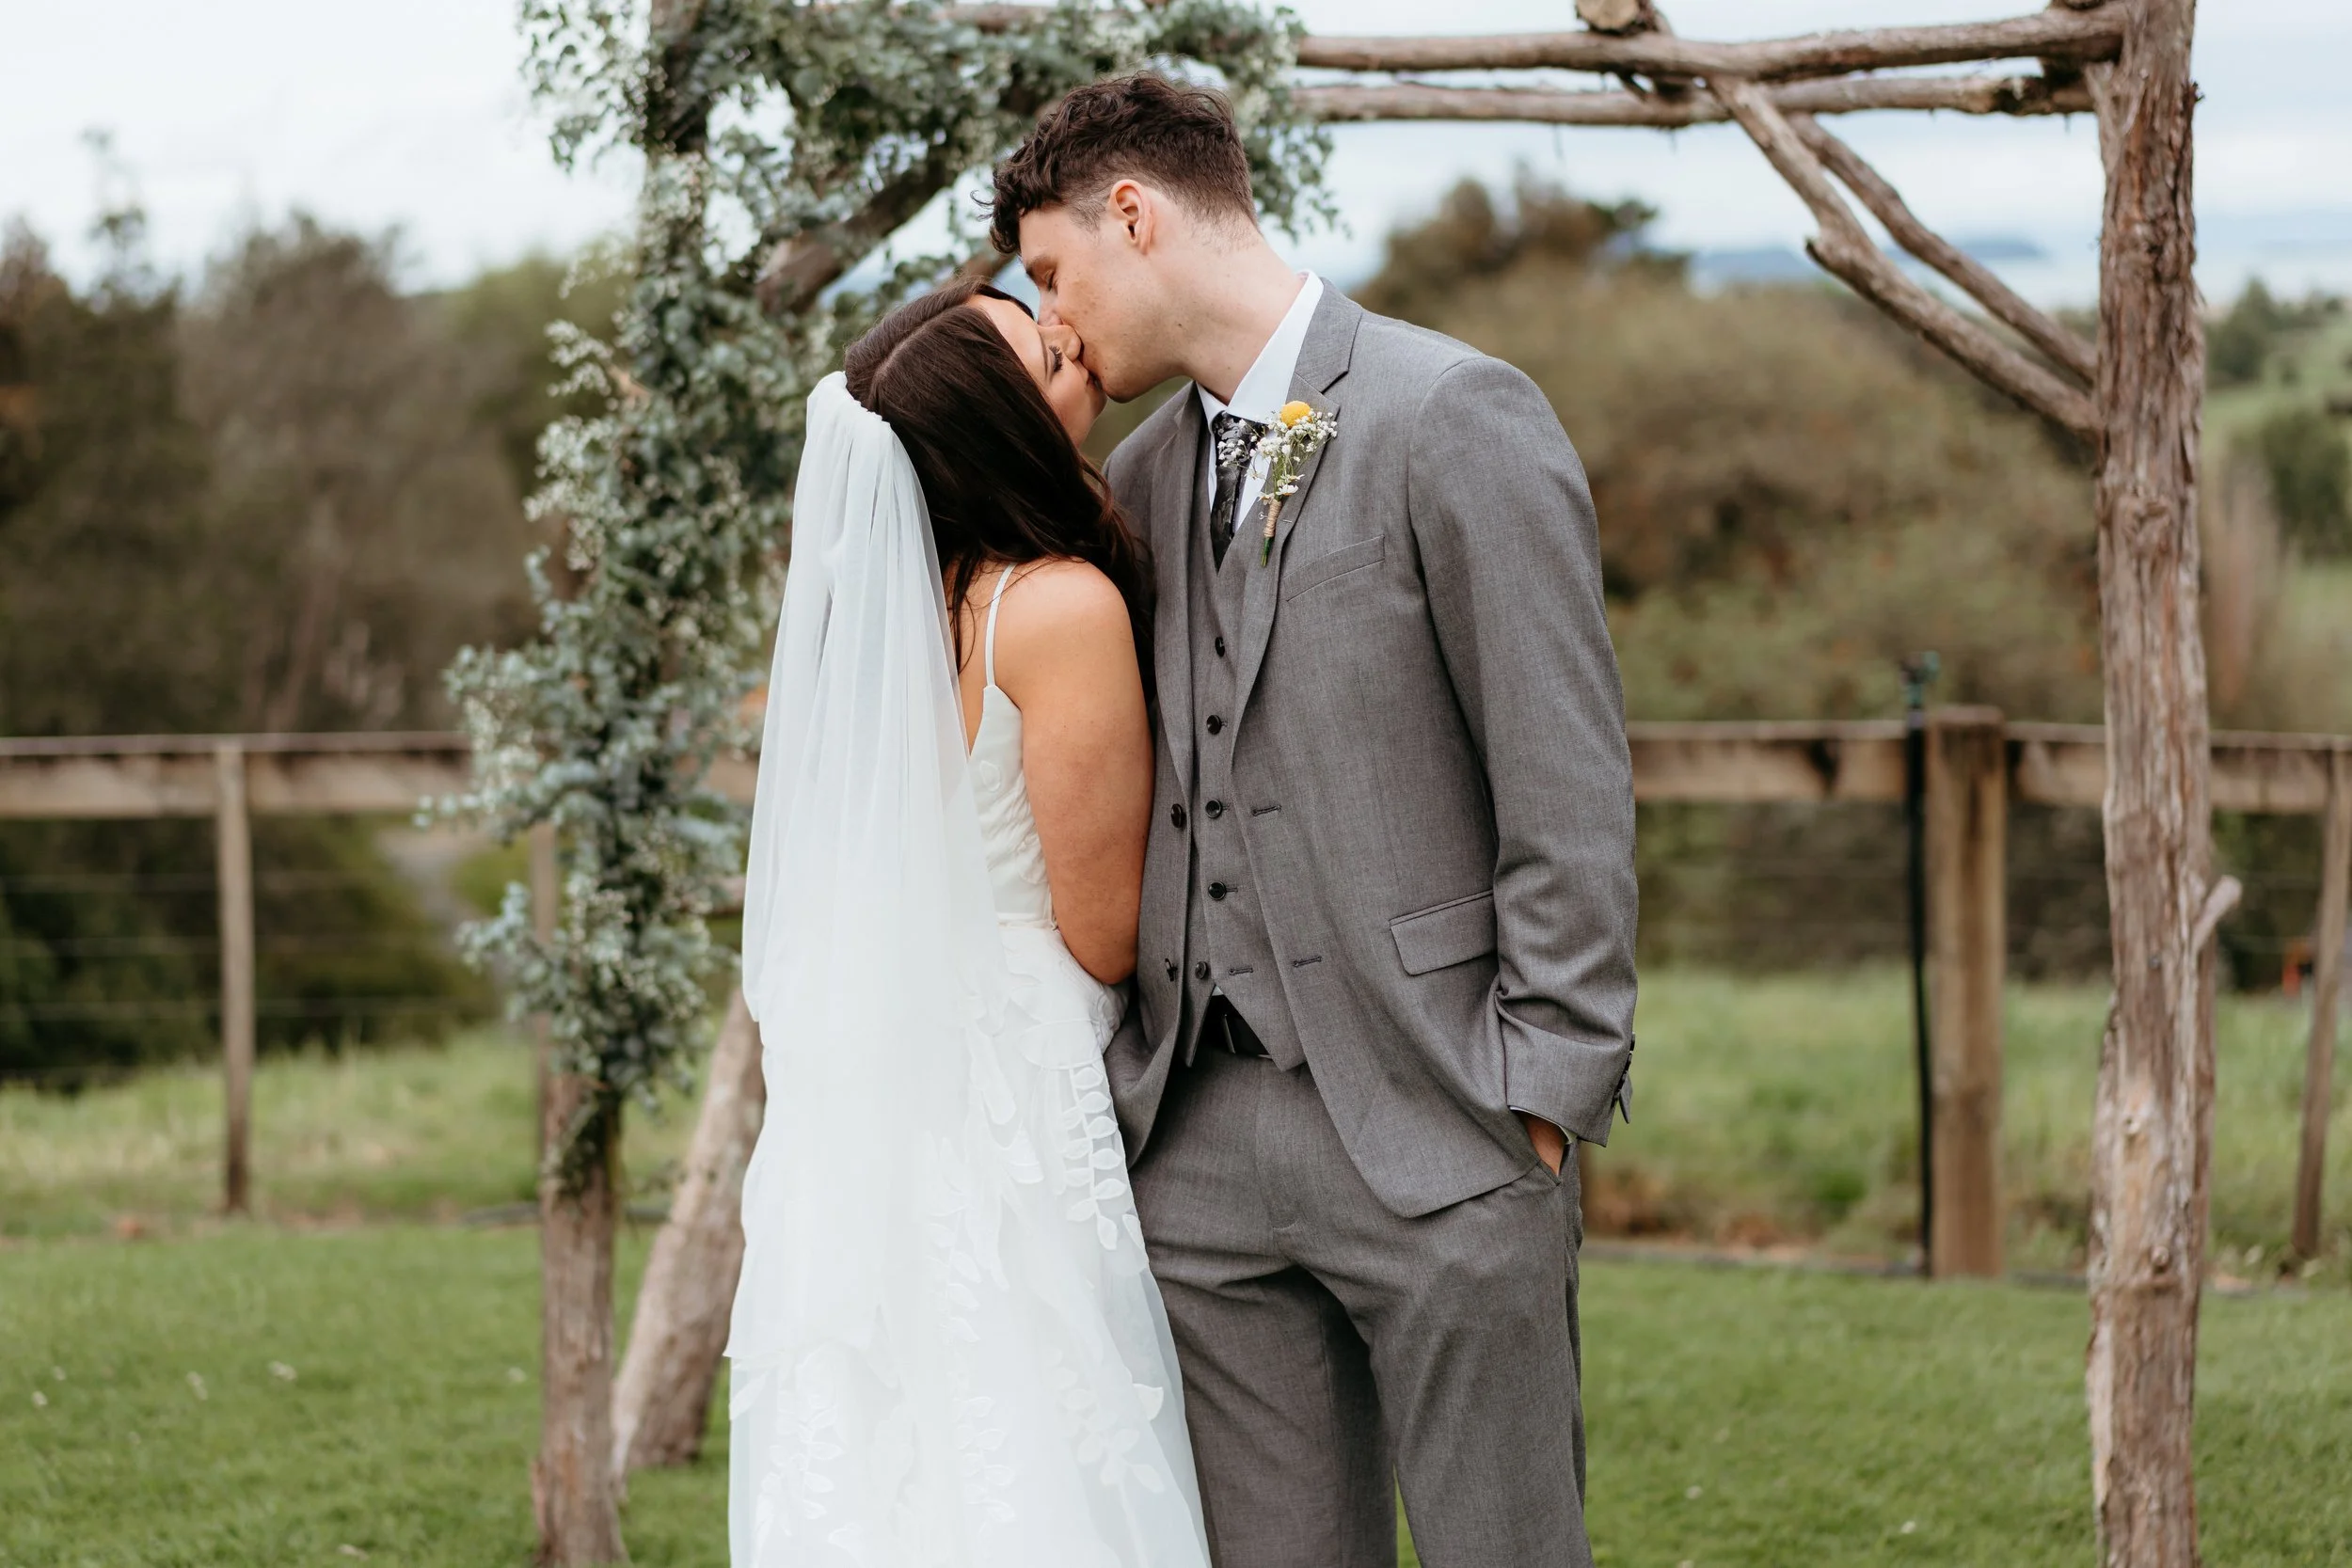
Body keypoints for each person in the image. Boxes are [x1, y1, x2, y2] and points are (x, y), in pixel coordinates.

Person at [991, 71, 1639, 1568]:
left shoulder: (1452, 411)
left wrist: (1537, 1091)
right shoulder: (1138, 484)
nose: (1058, 323)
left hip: (1447, 1124)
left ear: (1135, 215)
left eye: (1052, 273)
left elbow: (1570, 777)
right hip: (1200, 1154)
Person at [726, 277, 1213, 1566]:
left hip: (877, 1089)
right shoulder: (1057, 608)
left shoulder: (870, 626)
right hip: (1013, 1076)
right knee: (1037, 1434)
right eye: (1028, 346)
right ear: (990, 429)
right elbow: (1106, 931)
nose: (1062, 335)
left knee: (913, 1443)